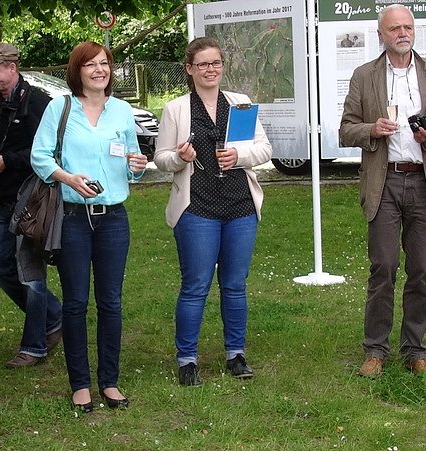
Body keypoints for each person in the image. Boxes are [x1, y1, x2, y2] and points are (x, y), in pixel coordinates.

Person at [339, 4, 426, 380]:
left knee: (422, 269)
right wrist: (371, 130)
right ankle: (375, 350)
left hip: (425, 181)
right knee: (384, 266)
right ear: (381, 34)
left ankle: (415, 351)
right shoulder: (365, 75)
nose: (402, 33)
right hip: (385, 181)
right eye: (394, 28)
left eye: (407, 27)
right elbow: (346, 129)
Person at [31, 41, 146, 412]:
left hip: (113, 218)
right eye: (91, 64)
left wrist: (137, 166)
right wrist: (67, 178)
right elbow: (39, 156)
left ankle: (109, 381)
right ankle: (80, 384)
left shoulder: (122, 110)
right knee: (76, 302)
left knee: (111, 302)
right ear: (77, 71)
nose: (100, 69)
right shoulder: (59, 107)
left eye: (105, 63)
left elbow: (131, 161)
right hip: (73, 218)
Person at [154, 37, 272, 386]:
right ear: (190, 69)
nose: (210, 70)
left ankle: (236, 354)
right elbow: (161, 159)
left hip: (240, 206)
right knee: (195, 286)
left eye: (216, 63)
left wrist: (241, 156)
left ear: (223, 66)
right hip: (197, 207)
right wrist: (180, 158)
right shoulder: (177, 109)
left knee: (235, 285)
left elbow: (264, 148)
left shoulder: (241, 104)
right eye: (203, 64)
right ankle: (187, 359)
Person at [0, 41, 63, 368]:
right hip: (2, 198)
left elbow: (51, 153)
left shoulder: (39, 103)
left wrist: (6, 161)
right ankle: (54, 317)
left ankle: (35, 346)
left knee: (31, 275)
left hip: (32, 201)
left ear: (12, 67)